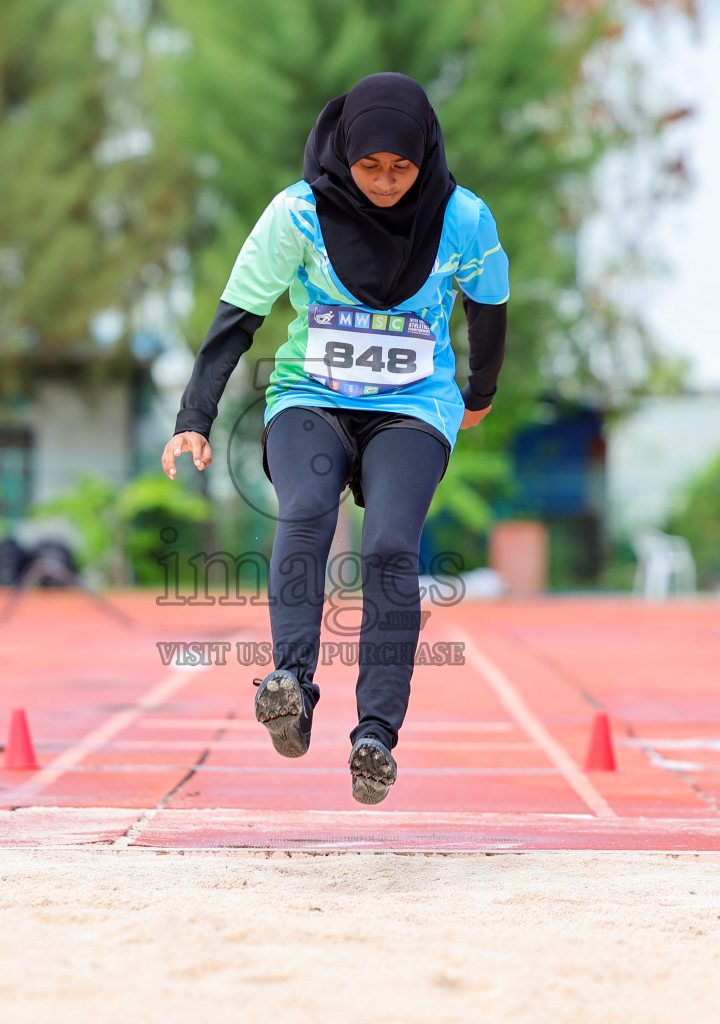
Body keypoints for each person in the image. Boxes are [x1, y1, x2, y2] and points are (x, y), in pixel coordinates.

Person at [162, 72, 509, 805]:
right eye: (369, 166)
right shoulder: (296, 214)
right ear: (344, 152)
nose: (385, 182)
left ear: (426, 157)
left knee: (388, 547)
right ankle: (290, 682)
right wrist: (194, 418)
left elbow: (489, 310)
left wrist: (478, 396)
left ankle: (375, 735)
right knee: (307, 508)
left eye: (402, 168)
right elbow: (239, 316)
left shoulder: (464, 219)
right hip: (310, 398)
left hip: (411, 407)